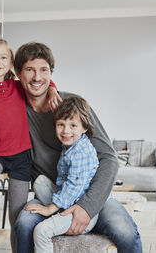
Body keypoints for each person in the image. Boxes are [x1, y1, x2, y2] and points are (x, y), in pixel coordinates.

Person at [13, 42, 142, 253]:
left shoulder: (72, 106)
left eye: (43, 70)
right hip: (52, 193)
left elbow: (109, 158)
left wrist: (87, 207)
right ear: (18, 73)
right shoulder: (15, 110)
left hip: (90, 191)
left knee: (124, 231)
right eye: (30, 70)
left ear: (51, 73)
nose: (37, 77)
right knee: (24, 224)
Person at [0, 37, 60, 251]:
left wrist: (53, 90)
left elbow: (43, 80)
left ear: (11, 64)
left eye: (3, 58)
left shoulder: (17, 86)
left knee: (17, 216)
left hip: (21, 157)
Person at [26, 96, 110, 253]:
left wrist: (50, 208)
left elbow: (74, 186)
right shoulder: (71, 146)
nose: (66, 131)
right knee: (40, 182)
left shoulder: (81, 152)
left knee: (41, 231)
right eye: (61, 125)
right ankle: (59, 213)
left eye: (73, 125)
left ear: (84, 127)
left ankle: (58, 214)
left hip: (81, 210)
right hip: (69, 197)